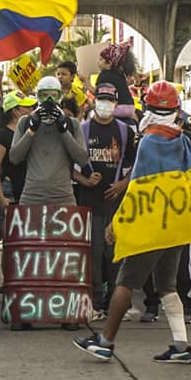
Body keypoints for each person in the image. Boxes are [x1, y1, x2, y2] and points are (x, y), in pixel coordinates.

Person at [74, 81, 191, 364]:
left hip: (150, 226)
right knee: (167, 284)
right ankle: (181, 345)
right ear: (176, 110)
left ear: (148, 109)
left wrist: (116, 224)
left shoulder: (148, 142)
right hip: (176, 225)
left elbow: (136, 188)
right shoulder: (183, 140)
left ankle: (105, 342)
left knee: (125, 281)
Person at [74, 83, 135, 318]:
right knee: (93, 254)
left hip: (115, 203)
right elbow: (70, 166)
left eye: (110, 101)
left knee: (115, 255)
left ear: (116, 104)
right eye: (101, 100)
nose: (105, 105)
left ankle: (116, 303)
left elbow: (134, 166)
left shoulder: (125, 131)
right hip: (89, 201)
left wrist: (122, 184)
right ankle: (95, 303)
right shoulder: (82, 129)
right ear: (93, 101)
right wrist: (84, 180)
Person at [9, 76, 90, 206]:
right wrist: (31, 130)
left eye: (53, 95)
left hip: (63, 196)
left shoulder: (72, 124)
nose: (49, 100)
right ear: (38, 96)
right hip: (32, 195)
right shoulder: (25, 122)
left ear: (60, 96)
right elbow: (15, 157)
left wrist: (64, 131)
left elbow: (83, 160)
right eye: (44, 95)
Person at [0, 90, 35, 241]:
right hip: (9, 192)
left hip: (28, 191)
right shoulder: (2, 135)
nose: (31, 111)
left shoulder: (31, 132)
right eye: (26, 107)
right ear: (15, 111)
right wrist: (1, 197)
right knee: (12, 242)